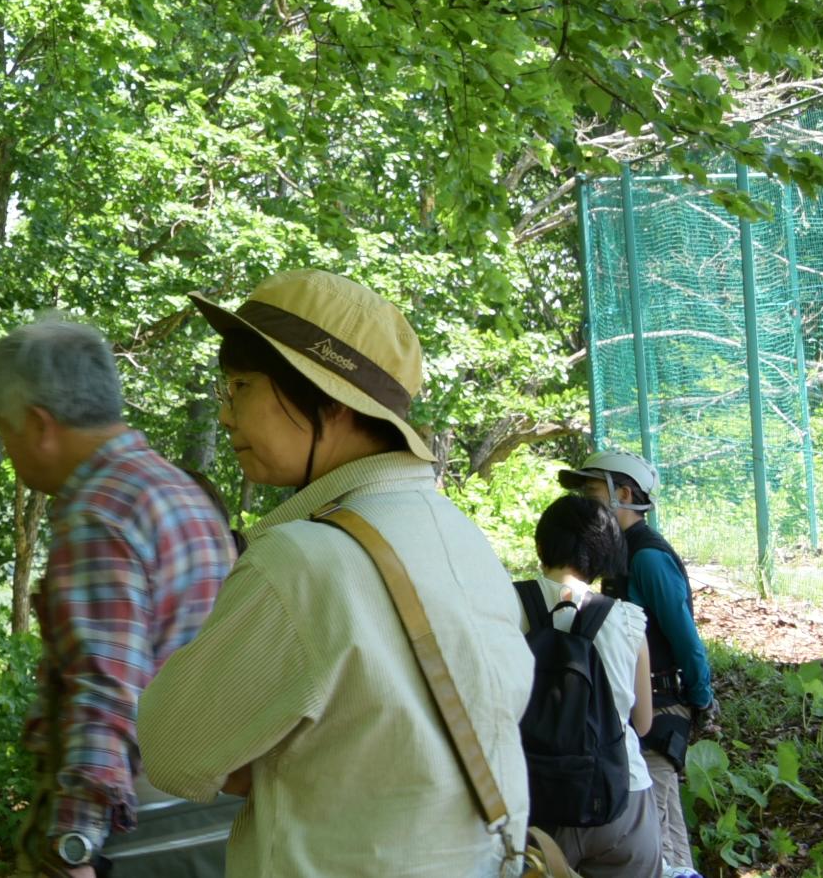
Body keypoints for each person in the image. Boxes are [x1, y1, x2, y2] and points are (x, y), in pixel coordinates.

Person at [139, 269, 535, 878]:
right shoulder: (461, 538)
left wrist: (271, 754)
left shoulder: (301, 561)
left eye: (240, 385)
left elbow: (171, 751)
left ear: (327, 399)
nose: (226, 415)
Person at [0, 318, 233, 878]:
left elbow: (106, 687)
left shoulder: (97, 514)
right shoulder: (178, 490)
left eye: (5, 429)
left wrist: (73, 843)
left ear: (40, 425)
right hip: (213, 821)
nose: (7, 448)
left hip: (130, 835)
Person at [560, 451, 716, 877]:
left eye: (592, 490)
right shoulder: (619, 553)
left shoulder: (646, 557)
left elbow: (685, 636)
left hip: (660, 710)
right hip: (635, 711)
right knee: (665, 831)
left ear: (623, 494)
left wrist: (702, 697)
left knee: (663, 837)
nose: (585, 500)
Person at [516, 493, 658, 878]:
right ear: (605, 555)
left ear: (541, 544)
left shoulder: (503, 605)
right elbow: (642, 723)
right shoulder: (628, 620)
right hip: (621, 799)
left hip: (532, 801)